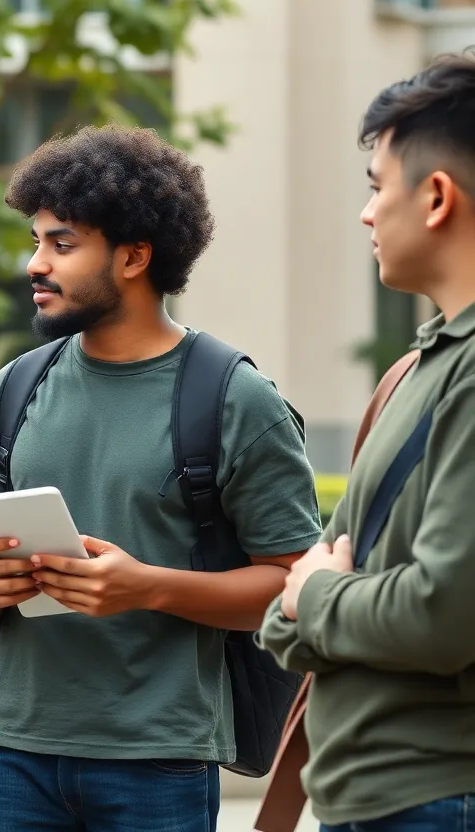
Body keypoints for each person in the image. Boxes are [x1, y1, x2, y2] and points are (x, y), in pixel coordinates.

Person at [0, 124, 323, 832]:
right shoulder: (16, 387)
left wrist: (145, 586)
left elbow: (292, 589)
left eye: (61, 244)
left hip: (159, 755)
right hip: (10, 748)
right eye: (35, 240)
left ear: (134, 256)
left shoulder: (234, 396)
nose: (35, 263)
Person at [259, 51, 475, 832]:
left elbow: (441, 614)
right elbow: (282, 618)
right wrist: (310, 598)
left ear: (438, 197)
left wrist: (318, 595)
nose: (366, 213)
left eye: (378, 187)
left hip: (433, 797)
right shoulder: (423, 367)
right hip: (375, 797)